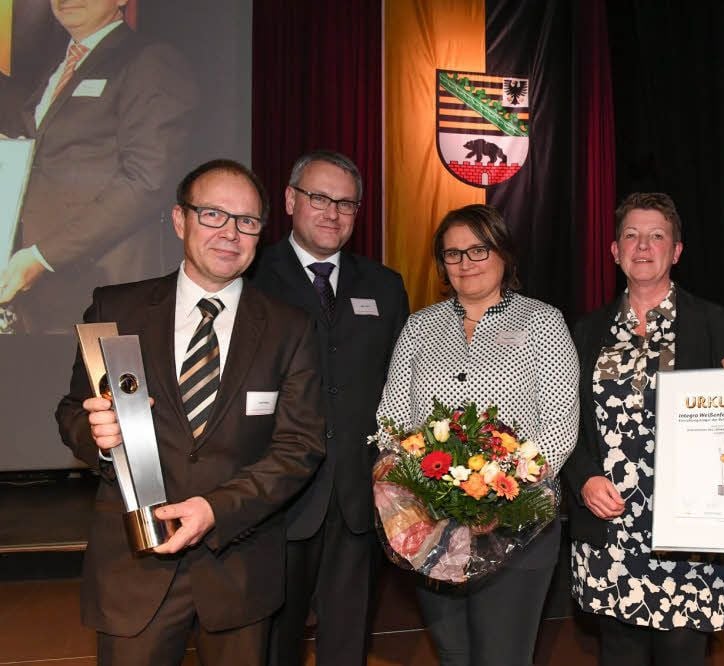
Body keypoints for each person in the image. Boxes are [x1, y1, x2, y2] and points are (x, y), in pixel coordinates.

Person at [54, 159, 326, 665]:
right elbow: (73, 409)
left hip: (240, 565)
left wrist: (216, 509)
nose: (230, 233)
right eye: (213, 215)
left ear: (261, 233)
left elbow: (300, 447)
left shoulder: (290, 328)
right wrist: (95, 435)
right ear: (180, 220)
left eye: (246, 221)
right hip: (135, 565)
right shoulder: (116, 309)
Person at [375, 203, 579, 665]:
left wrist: (496, 493)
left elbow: (560, 421)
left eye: (478, 249)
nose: (465, 262)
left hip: (517, 522)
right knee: (453, 654)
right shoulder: (419, 326)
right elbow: (391, 417)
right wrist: (418, 490)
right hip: (431, 524)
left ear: (503, 253)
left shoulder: (541, 321)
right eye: (452, 254)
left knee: (503, 657)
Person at [562, 193, 724, 665]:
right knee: (618, 652)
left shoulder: (713, 322)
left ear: (677, 251)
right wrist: (583, 479)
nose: (644, 246)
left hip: (688, 531)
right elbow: (568, 422)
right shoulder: (585, 330)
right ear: (614, 251)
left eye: (657, 236)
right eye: (631, 236)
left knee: (683, 652)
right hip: (610, 524)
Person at [250, 150, 409, 666]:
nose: (332, 213)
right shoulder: (251, 278)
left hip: (356, 496)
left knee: (348, 641)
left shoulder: (384, 286)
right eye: (319, 198)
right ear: (292, 200)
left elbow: (397, 384)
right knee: (276, 642)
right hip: (278, 495)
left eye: (346, 203)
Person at [0, 0, 197, 333]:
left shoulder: (150, 60)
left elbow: (147, 180)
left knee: (95, 386)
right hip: (39, 297)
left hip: (104, 290)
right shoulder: (55, 67)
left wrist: (43, 256)